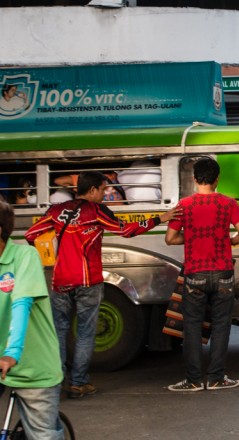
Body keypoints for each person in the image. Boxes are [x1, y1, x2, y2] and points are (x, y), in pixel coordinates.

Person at [24, 171, 179, 399]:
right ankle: (78, 383)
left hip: (61, 280)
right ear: (93, 189)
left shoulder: (56, 211)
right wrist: (160, 219)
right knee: (86, 333)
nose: (106, 193)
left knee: (59, 330)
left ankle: (55, 381)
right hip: (88, 280)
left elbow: (31, 234)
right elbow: (126, 230)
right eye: (104, 189)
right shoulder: (97, 211)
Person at [164, 157, 239, 391]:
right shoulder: (228, 203)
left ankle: (192, 380)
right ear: (217, 178)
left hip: (195, 274)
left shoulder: (184, 205)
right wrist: (228, 240)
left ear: (194, 179)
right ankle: (216, 378)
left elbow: (170, 238)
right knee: (221, 325)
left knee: (191, 326)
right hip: (222, 272)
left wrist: (190, 237)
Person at [0, 201, 65, 439]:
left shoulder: (24, 256)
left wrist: (12, 352)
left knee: (43, 434)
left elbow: (21, 303)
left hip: (32, 364)